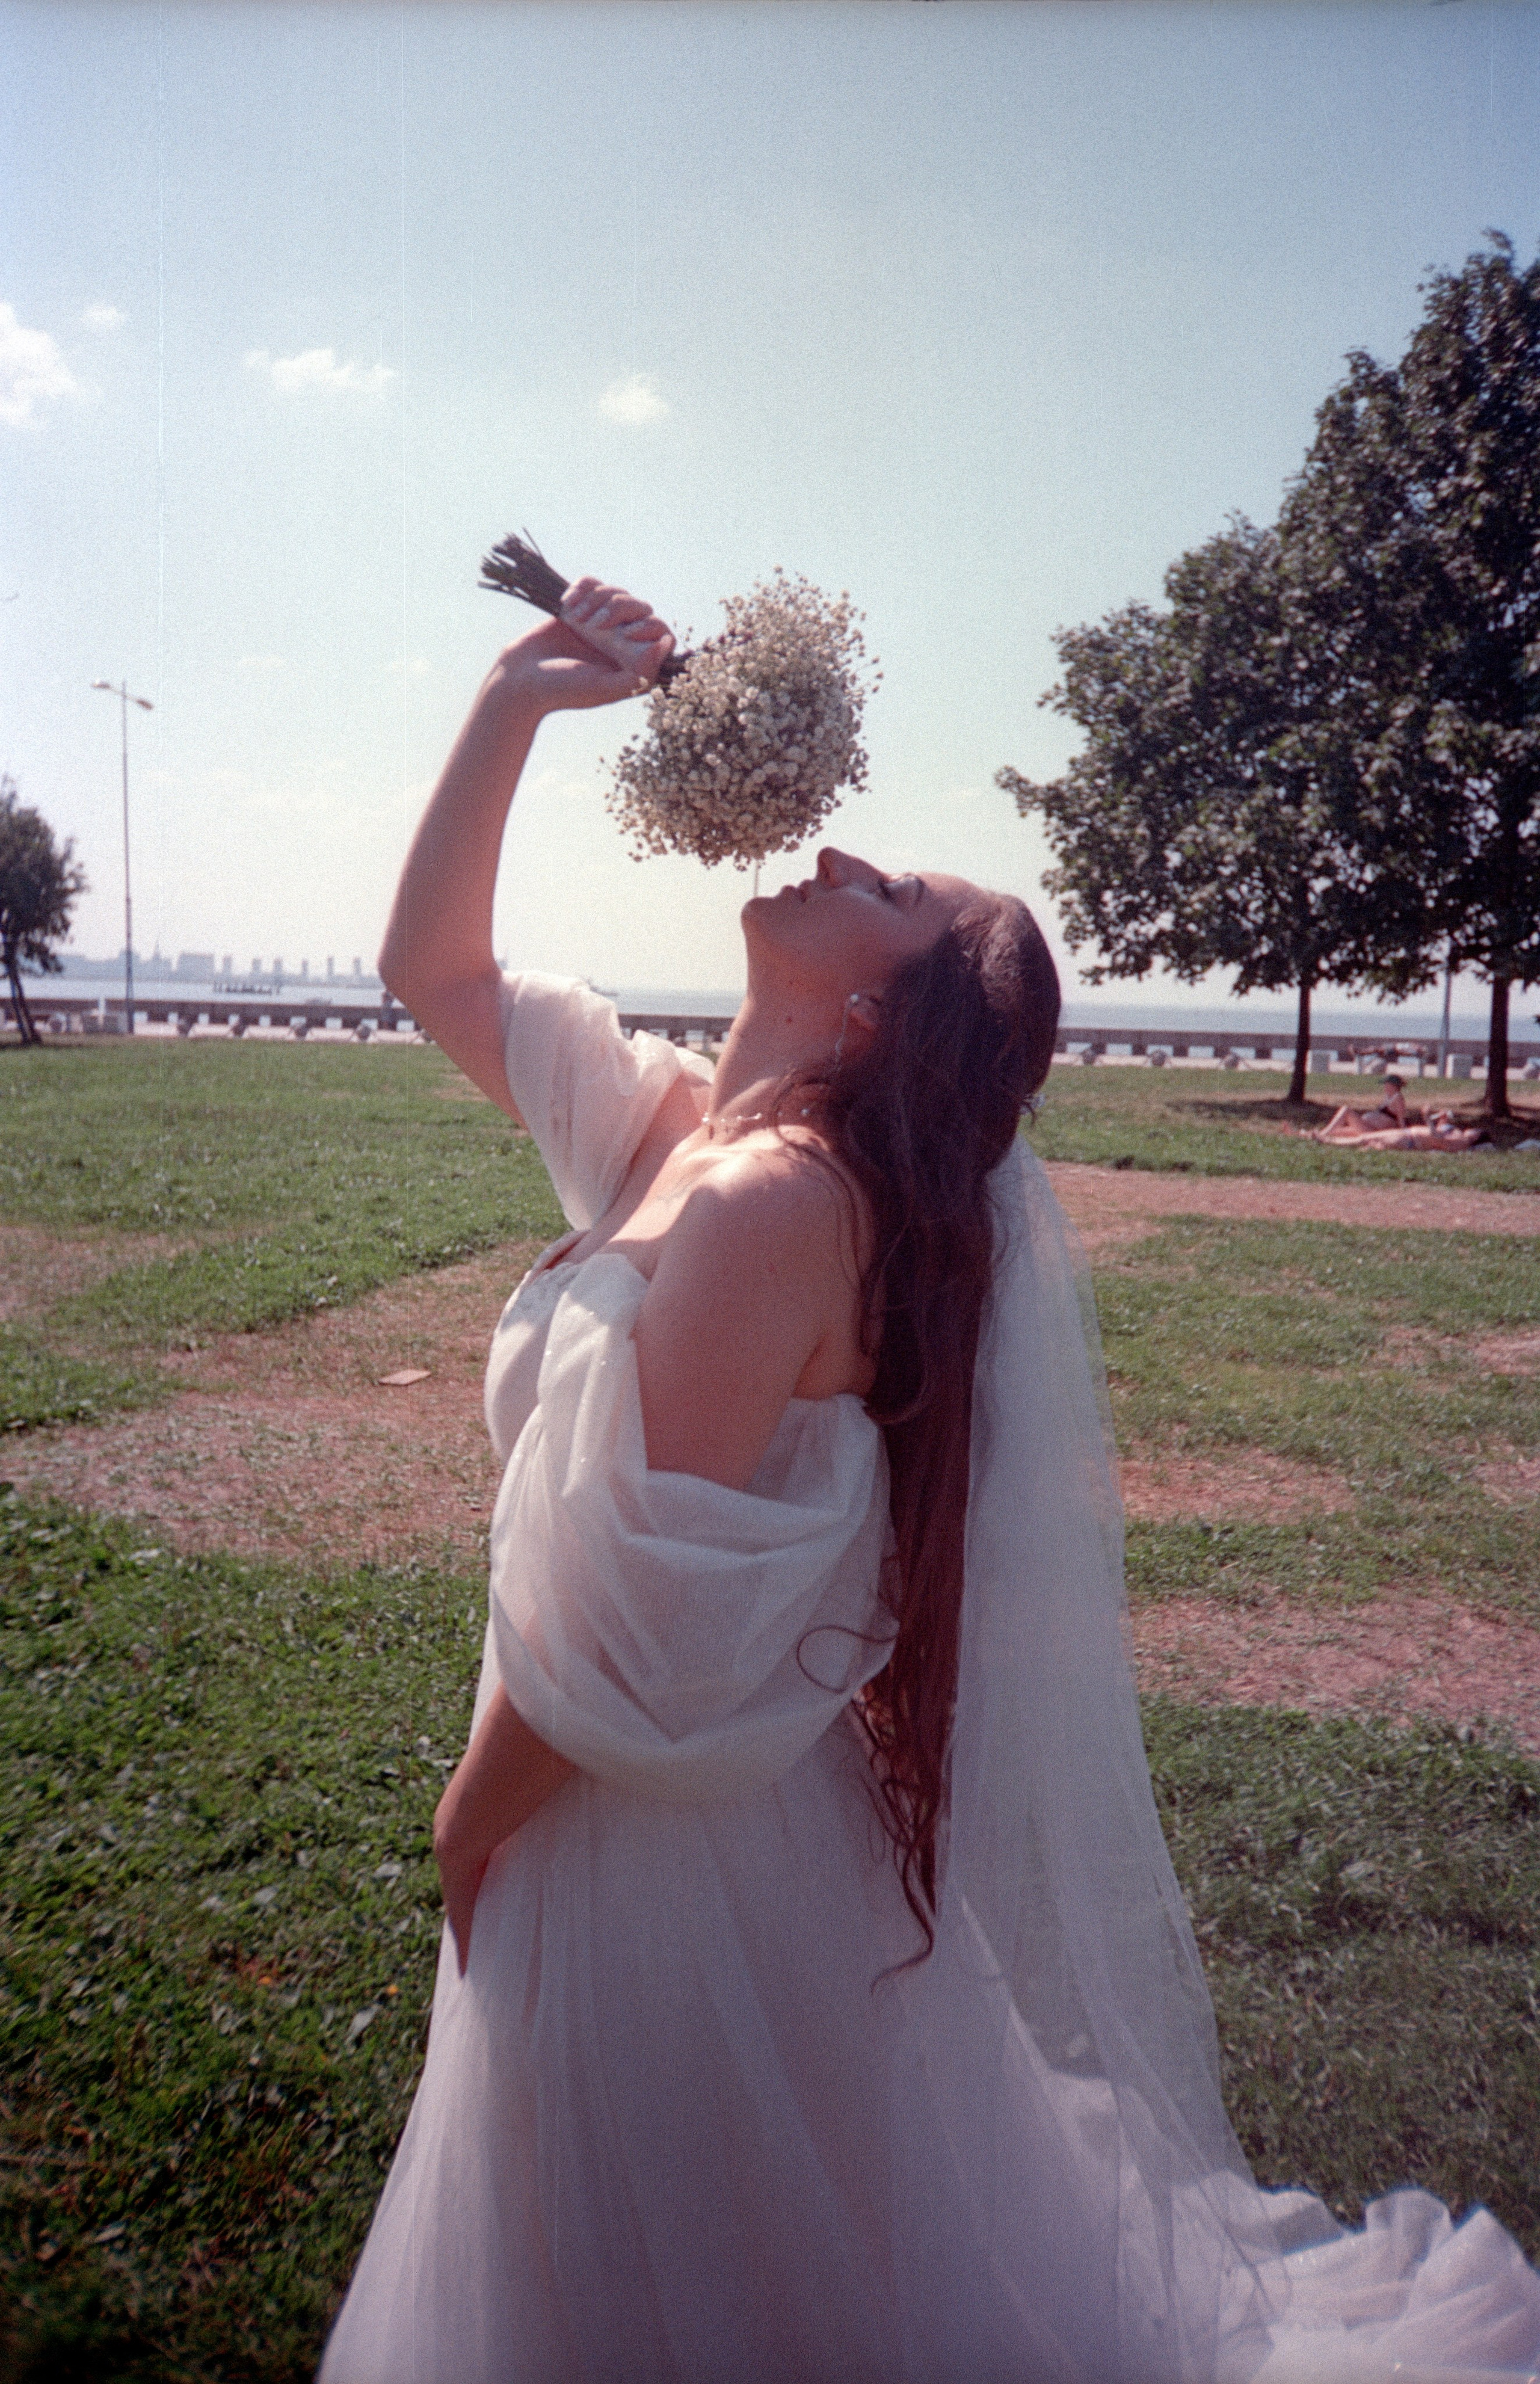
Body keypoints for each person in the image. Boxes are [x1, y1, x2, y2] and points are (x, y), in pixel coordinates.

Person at [320, 582, 1540, 2383]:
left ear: (885, 1015)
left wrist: (467, 1810)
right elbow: (434, 971)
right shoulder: (679, 1141)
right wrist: (519, 695)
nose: (840, 848)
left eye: (891, 891)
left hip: (661, 1859)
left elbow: (638, 1619)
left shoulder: (767, 1210)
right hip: (660, 1815)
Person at [1314, 1073, 1410, 1141]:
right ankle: (1312, 1135)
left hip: (1375, 1131)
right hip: (1367, 1127)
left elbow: (1401, 1120)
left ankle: (1321, 1134)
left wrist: (1405, 1136)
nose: (1384, 1087)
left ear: (1393, 1086)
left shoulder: (1398, 1099)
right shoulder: (1388, 1097)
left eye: (1386, 1084)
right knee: (1336, 1132)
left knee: (1346, 1110)